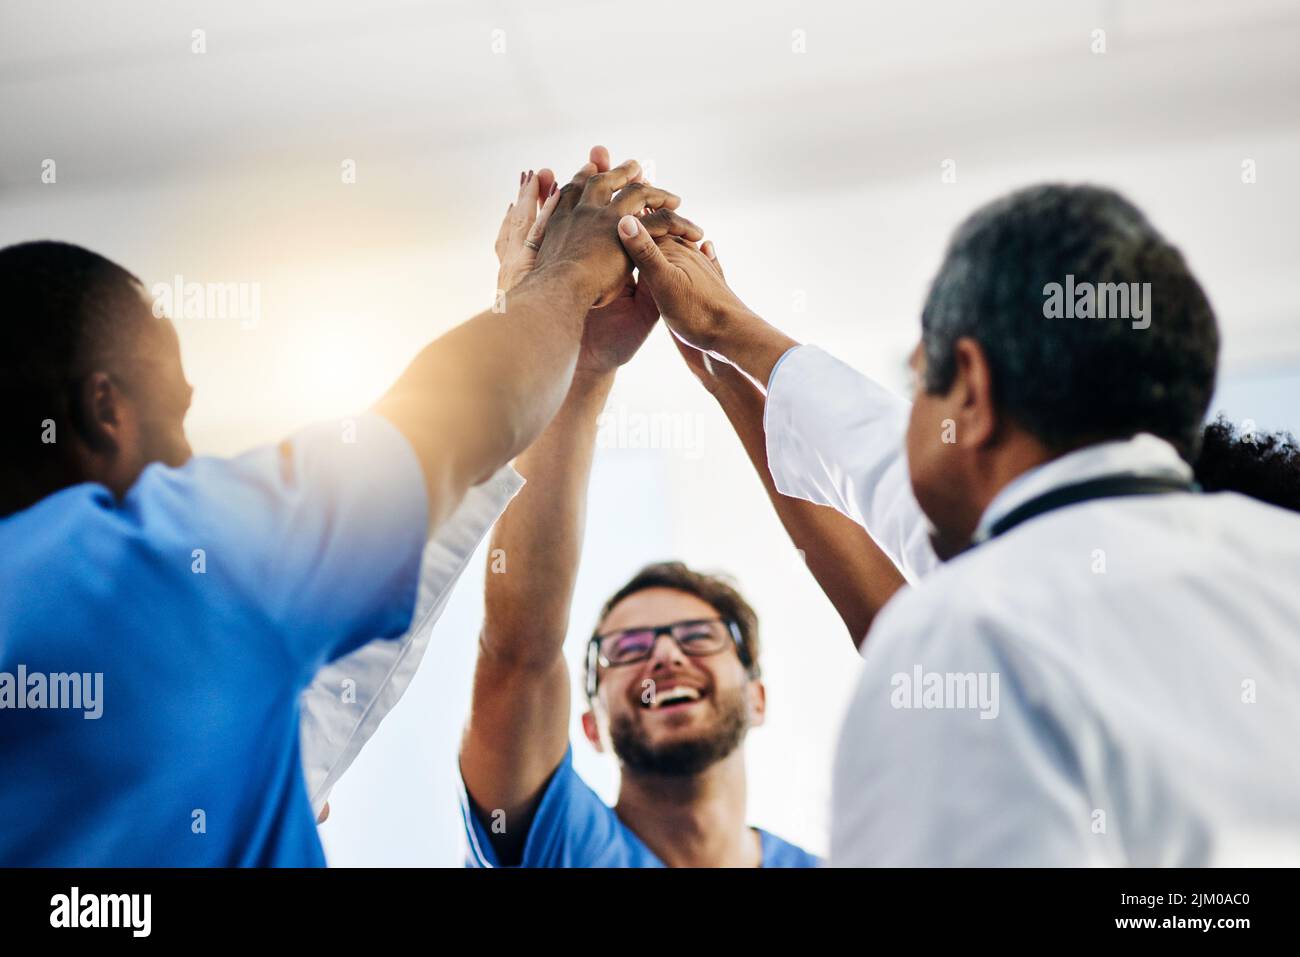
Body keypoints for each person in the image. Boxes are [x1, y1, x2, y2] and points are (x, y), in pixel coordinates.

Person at [0, 150, 703, 865]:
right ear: (103, 412)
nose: (186, 458)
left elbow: (353, 662)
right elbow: (455, 424)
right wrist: (568, 276)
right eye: (173, 416)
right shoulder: (151, 563)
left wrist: (550, 334)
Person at [618, 183, 1300, 865]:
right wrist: (726, 340)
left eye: (921, 388)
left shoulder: (966, 628)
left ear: (970, 387)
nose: (910, 421)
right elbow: (886, 470)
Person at [457, 150, 823, 867]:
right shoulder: (556, 847)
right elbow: (519, 654)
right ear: (589, 723)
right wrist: (581, 362)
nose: (661, 652)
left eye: (697, 636)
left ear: (758, 696)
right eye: (623, 650)